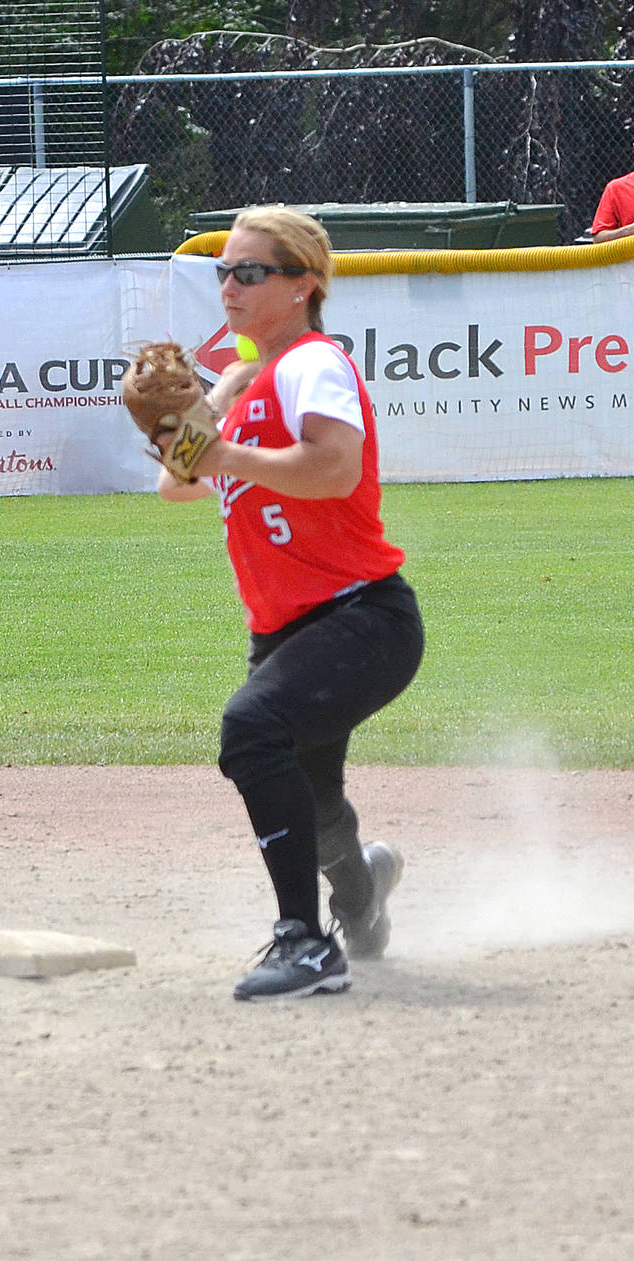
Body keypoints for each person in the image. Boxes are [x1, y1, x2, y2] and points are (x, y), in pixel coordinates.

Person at [156, 206, 425, 1001]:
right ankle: (361, 894)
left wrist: (226, 437)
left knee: (252, 728)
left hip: (362, 615)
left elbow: (335, 469)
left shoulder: (315, 362)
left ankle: (306, 943)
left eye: (250, 271)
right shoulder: (248, 383)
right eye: (224, 272)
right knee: (315, 799)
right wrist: (214, 400)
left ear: (303, 284)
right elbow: (176, 484)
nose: (229, 286)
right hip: (285, 631)